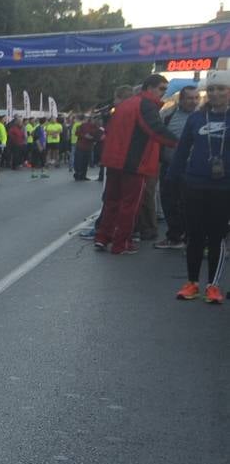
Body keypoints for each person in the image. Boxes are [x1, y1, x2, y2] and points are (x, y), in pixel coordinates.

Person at [92, 74, 177, 255]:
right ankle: (121, 243)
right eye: (162, 88)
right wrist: (180, 143)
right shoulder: (146, 105)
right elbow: (155, 129)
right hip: (134, 163)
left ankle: (102, 237)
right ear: (150, 87)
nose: (164, 93)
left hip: (115, 160)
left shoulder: (125, 105)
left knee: (111, 202)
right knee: (130, 205)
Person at [169, 71, 230, 303]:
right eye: (212, 89)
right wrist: (173, 178)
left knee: (216, 236)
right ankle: (192, 282)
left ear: (229, 92)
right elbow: (183, 149)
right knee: (194, 235)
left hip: (224, 187)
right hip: (195, 183)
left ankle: (213, 286)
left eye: (221, 89)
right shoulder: (196, 119)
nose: (215, 93)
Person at [155, 86, 200, 250]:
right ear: (181, 100)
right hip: (170, 167)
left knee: (189, 204)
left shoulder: (202, 116)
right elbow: (157, 136)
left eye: (196, 98)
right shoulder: (167, 116)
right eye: (190, 98)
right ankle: (175, 236)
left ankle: (190, 237)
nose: (193, 101)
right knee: (169, 202)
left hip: (193, 169)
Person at [74, 114, 102, 180]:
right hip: (81, 146)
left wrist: (92, 138)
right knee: (79, 161)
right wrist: (84, 136)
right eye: (93, 120)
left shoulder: (96, 127)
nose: (94, 121)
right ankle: (78, 174)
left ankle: (83, 175)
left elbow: (98, 136)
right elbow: (77, 132)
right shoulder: (83, 125)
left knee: (85, 162)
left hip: (88, 147)